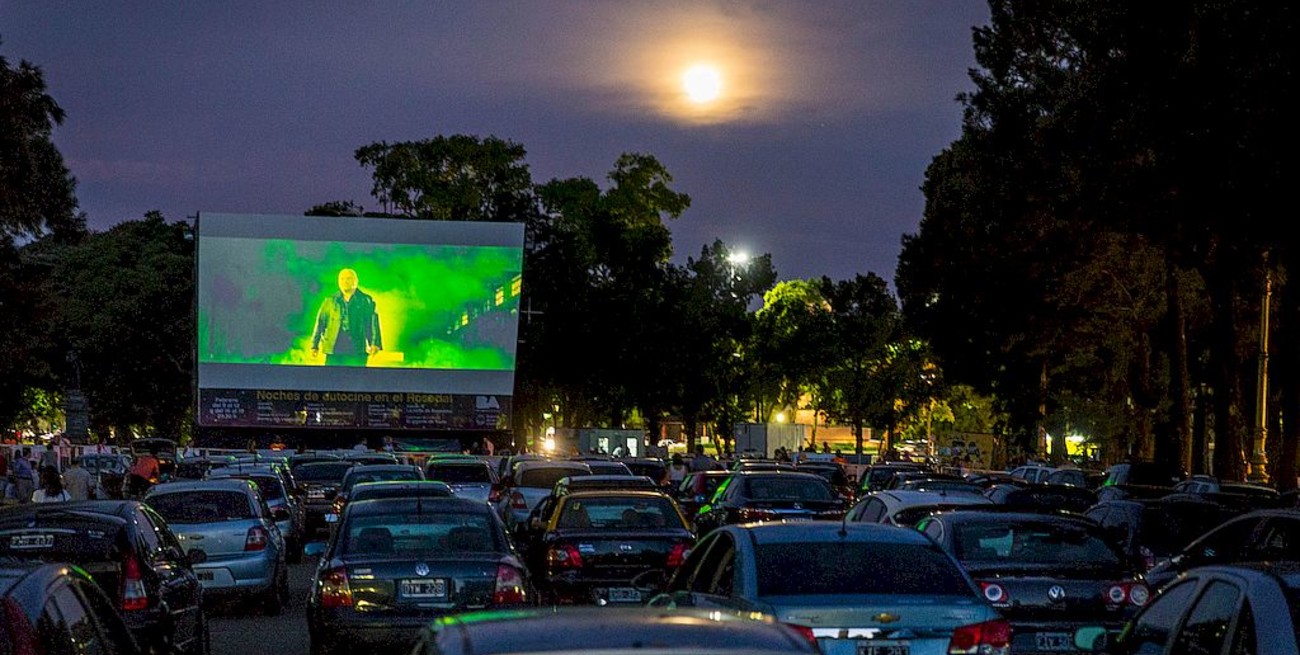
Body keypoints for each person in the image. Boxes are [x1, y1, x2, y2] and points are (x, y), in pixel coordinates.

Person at [311, 267, 382, 366]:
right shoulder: (330, 301)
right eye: (342, 279)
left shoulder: (366, 300)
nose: (345, 281)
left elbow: (373, 323)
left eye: (348, 278)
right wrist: (314, 345)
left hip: (357, 348)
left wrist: (375, 343)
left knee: (356, 378)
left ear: (356, 281)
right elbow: (320, 323)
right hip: (334, 347)